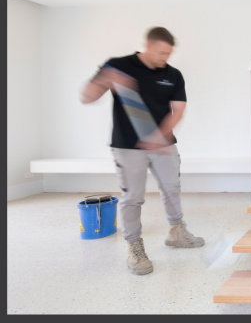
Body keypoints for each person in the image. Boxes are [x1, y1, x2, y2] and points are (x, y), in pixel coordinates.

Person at [80, 27, 204, 276]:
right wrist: (106, 80)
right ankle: (135, 249)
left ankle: (177, 232)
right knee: (133, 198)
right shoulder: (118, 66)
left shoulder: (173, 74)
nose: (164, 58)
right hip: (127, 146)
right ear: (147, 45)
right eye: (160, 52)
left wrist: (159, 137)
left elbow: (178, 110)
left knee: (172, 189)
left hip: (164, 145)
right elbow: (87, 97)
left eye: (169, 53)